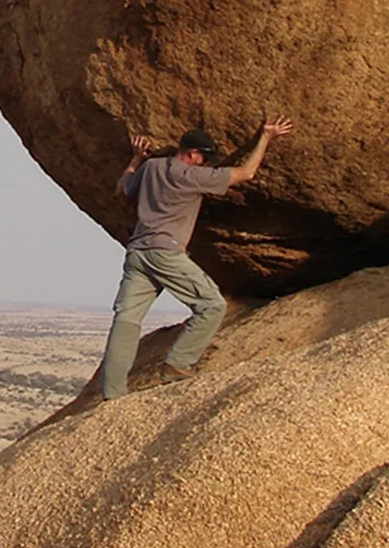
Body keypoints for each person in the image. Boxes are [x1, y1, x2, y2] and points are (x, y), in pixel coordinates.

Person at [99, 115, 294, 400]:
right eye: (203, 158)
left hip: (138, 253)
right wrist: (266, 137)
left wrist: (136, 159)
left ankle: (112, 394)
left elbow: (122, 189)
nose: (206, 163)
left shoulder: (151, 167)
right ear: (191, 154)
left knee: (126, 319)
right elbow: (246, 173)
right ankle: (178, 364)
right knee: (212, 305)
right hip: (166, 252)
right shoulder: (191, 177)